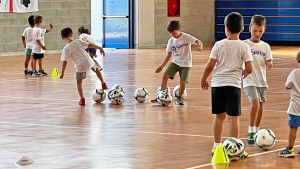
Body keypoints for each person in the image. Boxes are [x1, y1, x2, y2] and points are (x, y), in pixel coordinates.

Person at [200, 12, 253, 159]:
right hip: (233, 85)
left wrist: (203, 78)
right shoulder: (244, 46)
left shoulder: (218, 44)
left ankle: (217, 146)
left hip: (217, 85)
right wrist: (243, 73)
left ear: (226, 29)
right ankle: (234, 147)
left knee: (219, 116)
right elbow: (249, 69)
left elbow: (210, 65)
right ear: (242, 29)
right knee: (233, 117)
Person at [151, 20, 203, 105]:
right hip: (175, 62)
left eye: (174, 33)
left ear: (179, 29)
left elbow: (198, 41)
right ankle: (161, 96)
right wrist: (161, 66)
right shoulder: (171, 41)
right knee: (165, 77)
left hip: (186, 64)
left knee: (182, 82)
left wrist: (200, 47)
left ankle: (179, 97)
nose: (172, 35)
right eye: (171, 33)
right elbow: (168, 55)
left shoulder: (186, 37)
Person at [243, 15, 273, 146]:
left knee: (261, 107)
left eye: (260, 31)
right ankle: (250, 131)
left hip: (262, 81)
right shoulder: (244, 44)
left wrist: (269, 63)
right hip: (249, 80)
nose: (257, 33)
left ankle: (256, 129)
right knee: (255, 104)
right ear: (250, 29)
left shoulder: (265, 46)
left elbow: (269, 60)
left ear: (264, 29)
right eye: (255, 30)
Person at [59, 27, 106, 105]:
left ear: (62, 38)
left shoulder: (65, 49)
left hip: (80, 65)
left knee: (79, 82)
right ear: (72, 35)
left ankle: (82, 99)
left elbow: (64, 62)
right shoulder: (78, 41)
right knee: (96, 69)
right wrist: (99, 47)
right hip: (89, 61)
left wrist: (62, 73)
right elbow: (90, 45)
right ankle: (103, 83)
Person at [278, 50, 300, 157]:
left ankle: (290, 149)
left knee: (293, 128)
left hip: (295, 106)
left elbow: (287, 86)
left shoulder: (294, 72)